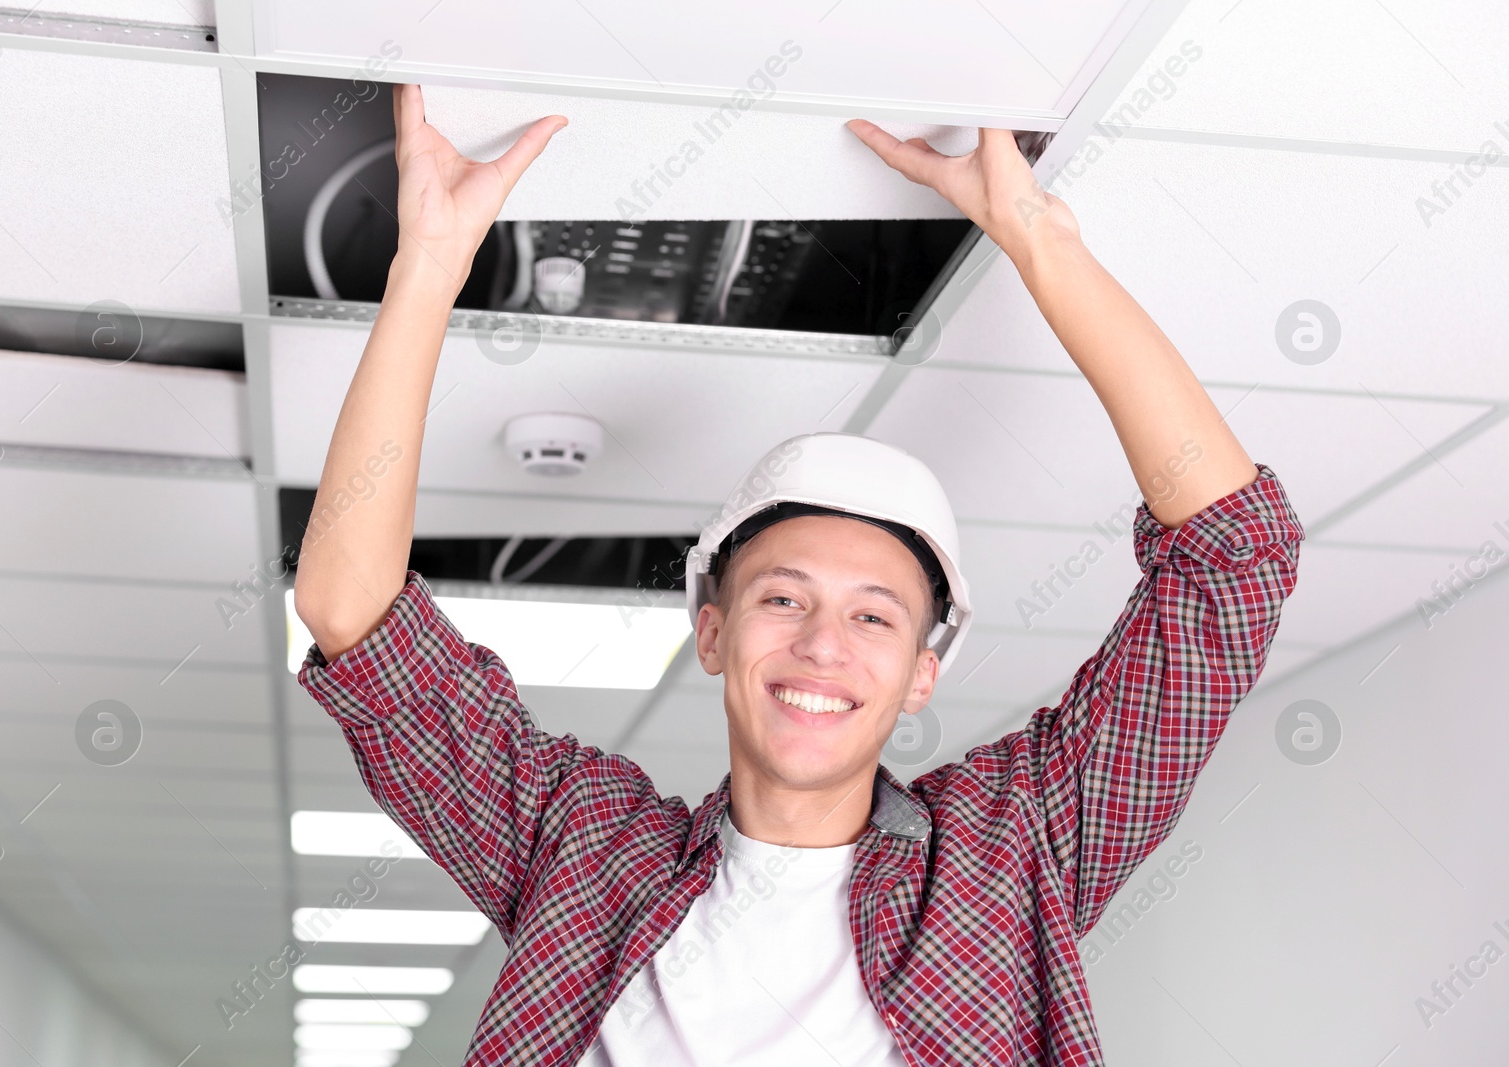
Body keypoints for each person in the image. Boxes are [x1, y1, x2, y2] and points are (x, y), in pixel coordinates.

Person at [294, 83, 1305, 1066]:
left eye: (875, 617)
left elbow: (1235, 555)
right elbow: (353, 615)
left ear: (921, 670)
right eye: (783, 597)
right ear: (713, 630)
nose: (822, 643)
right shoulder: (583, 851)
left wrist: (1036, 232)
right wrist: (427, 266)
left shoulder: (1009, 853)